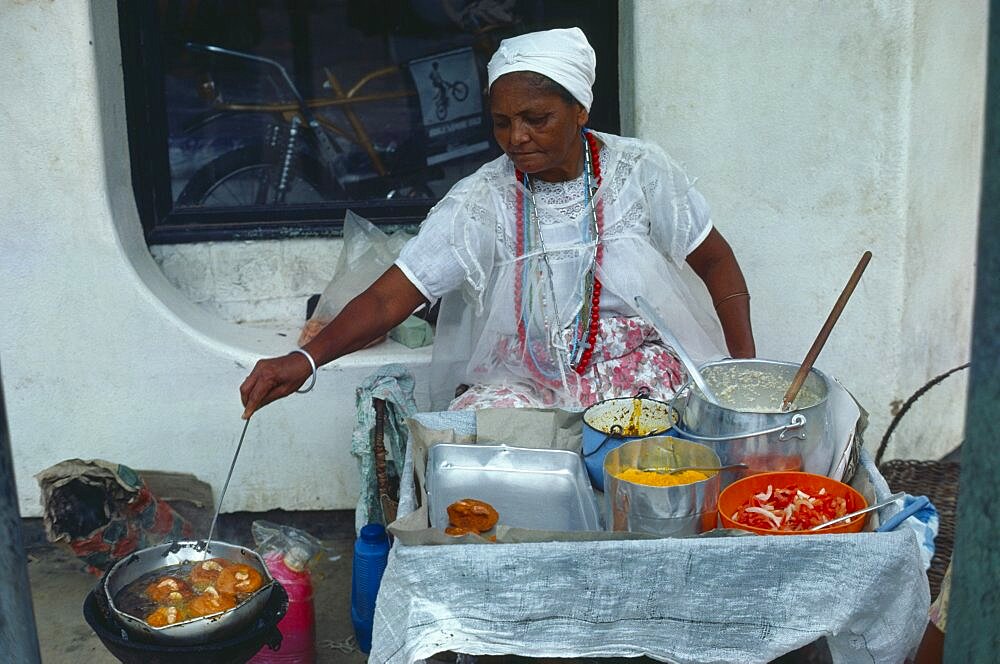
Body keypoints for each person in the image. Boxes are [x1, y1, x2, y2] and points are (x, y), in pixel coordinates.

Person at [240, 27, 755, 418]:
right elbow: (391, 296)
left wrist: (747, 376)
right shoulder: (483, 200)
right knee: (477, 449)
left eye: (537, 119)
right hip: (528, 379)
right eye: (503, 122)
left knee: (677, 455)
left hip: (636, 374)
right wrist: (305, 359)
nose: (517, 138)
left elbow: (715, 260)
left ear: (580, 111)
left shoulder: (638, 173)